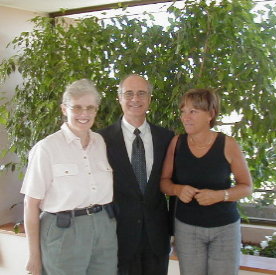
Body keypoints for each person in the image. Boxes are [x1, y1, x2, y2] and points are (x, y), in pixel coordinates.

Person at [21, 79, 117, 275]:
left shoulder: (100, 142)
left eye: (90, 108)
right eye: (77, 107)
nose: (84, 114)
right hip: (64, 231)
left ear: (96, 110)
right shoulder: (46, 148)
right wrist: (34, 256)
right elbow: (30, 204)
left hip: (103, 227)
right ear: (64, 109)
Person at [160, 88, 253, 275]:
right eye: (183, 111)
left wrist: (221, 195)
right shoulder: (177, 143)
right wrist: (178, 189)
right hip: (187, 229)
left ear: (210, 114)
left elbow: (247, 187)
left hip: (225, 230)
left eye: (193, 111)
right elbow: (164, 182)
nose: (185, 117)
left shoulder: (228, 144)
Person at [99, 74, 174, 275]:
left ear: (149, 98)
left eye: (142, 93)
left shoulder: (167, 138)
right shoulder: (101, 140)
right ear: (119, 98)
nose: (135, 99)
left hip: (156, 238)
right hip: (118, 237)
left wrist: (174, 230)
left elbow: (174, 183)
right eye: (129, 93)